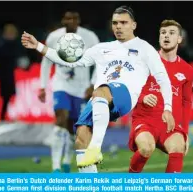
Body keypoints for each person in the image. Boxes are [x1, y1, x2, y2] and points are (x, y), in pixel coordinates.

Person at [21, 5, 175, 171]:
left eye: (124, 22)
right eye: (115, 23)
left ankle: (95, 148)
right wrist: (38, 46)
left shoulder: (145, 48)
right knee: (81, 135)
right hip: (100, 99)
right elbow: (69, 61)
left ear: (134, 25)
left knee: (101, 90)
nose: (119, 26)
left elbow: (163, 78)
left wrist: (168, 107)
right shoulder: (102, 48)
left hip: (125, 95)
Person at [128, 20, 193, 173]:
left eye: (171, 33)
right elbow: (129, 87)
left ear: (179, 39)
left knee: (178, 147)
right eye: (163, 33)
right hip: (145, 120)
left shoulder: (187, 70)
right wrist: (142, 97)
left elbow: (186, 102)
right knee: (146, 148)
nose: (166, 36)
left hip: (170, 126)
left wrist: (185, 132)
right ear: (159, 38)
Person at [39, 10, 100, 173]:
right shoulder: (54, 37)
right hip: (61, 85)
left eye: (74, 18)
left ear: (79, 21)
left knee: (74, 128)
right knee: (61, 119)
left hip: (81, 89)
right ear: (63, 20)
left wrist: (93, 84)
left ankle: (66, 162)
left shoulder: (90, 37)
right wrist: (43, 86)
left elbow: (102, 61)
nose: (71, 21)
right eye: (68, 18)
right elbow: (46, 62)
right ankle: (56, 167)